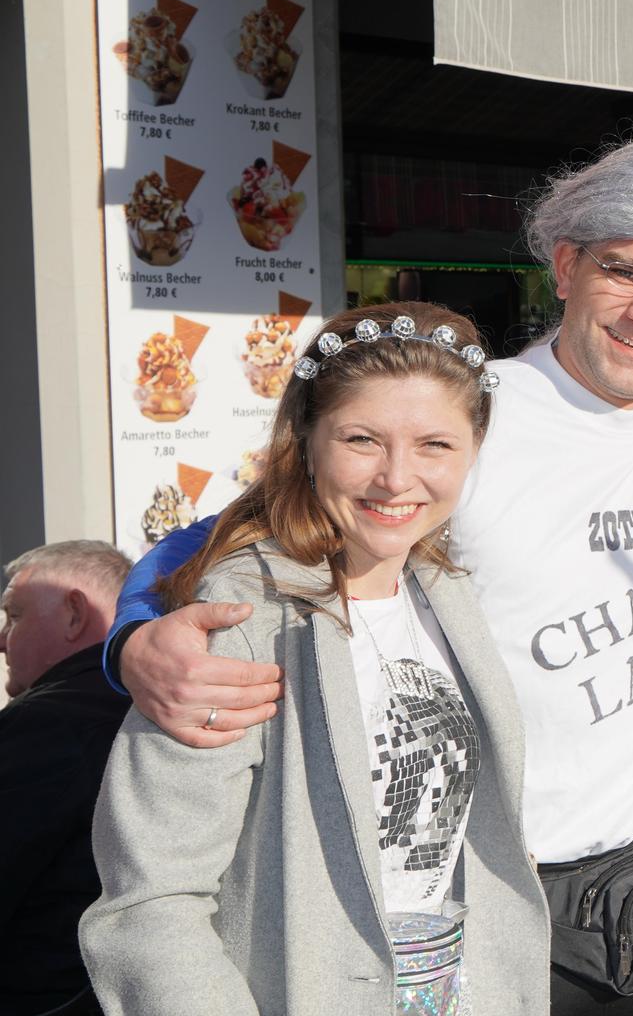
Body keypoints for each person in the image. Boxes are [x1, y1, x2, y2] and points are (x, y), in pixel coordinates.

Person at [102, 134, 633, 1014]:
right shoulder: (467, 413)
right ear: (565, 265)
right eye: (623, 272)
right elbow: (237, 530)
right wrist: (132, 636)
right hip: (479, 892)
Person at [79, 303, 549, 1014]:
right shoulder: (240, 619)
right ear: (305, 439)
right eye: (362, 440)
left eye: (434, 445)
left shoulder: (446, 592)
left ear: (475, 447)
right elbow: (151, 904)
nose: (397, 479)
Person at [0, 540, 131, 1016]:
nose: (1, 639)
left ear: (75, 614)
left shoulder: (48, 723)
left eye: (13, 615)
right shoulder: (152, 710)